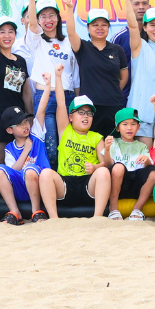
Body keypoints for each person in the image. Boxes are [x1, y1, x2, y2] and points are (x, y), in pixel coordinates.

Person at [49, 79, 113, 218]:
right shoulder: (65, 130)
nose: (86, 116)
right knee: (46, 174)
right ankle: (54, 219)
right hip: (65, 184)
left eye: (89, 113)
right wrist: (58, 76)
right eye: (81, 112)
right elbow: (61, 104)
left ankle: (97, 217)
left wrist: (95, 167)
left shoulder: (97, 138)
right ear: (71, 117)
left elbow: (106, 164)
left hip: (88, 185)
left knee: (103, 172)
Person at [67, 0, 129, 138]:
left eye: (104, 25)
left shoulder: (117, 49)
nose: (99, 28)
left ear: (108, 27)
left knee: (113, 145)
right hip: (89, 108)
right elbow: (71, 32)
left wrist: (111, 91)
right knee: (91, 145)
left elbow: (124, 77)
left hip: (114, 106)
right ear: (88, 28)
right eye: (95, 25)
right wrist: (70, 8)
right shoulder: (82, 47)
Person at [0, 100, 60, 225]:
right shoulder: (9, 148)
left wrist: (47, 88)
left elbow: (41, 110)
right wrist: (26, 150)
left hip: (40, 186)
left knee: (30, 170)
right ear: (10, 130)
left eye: (26, 121)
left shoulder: (36, 135)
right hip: (20, 189)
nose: (25, 126)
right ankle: (15, 212)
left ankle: (36, 211)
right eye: (19, 124)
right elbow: (13, 170)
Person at [24, 0, 77, 144]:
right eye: (43, 16)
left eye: (52, 15)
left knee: (67, 143)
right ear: (38, 20)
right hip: (45, 97)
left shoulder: (68, 42)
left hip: (67, 96)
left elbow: (75, 74)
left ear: (58, 18)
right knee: (50, 145)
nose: (48, 20)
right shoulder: (36, 40)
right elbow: (32, 25)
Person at [124, 1, 155, 138]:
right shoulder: (140, 46)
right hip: (143, 107)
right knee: (145, 150)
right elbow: (132, 26)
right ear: (144, 27)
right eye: (152, 25)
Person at [104, 106, 155, 220]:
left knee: (153, 171)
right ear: (117, 128)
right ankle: (113, 208)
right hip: (119, 184)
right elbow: (108, 165)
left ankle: (138, 208)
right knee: (118, 167)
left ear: (138, 127)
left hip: (137, 185)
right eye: (125, 124)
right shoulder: (113, 143)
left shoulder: (141, 146)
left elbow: (149, 166)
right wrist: (107, 150)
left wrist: (146, 160)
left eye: (133, 124)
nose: (129, 128)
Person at [0, 4, 33, 118]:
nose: (7, 36)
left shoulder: (21, 61)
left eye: (11, 31)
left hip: (18, 118)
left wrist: (30, 116)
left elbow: (26, 93)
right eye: (2, 32)